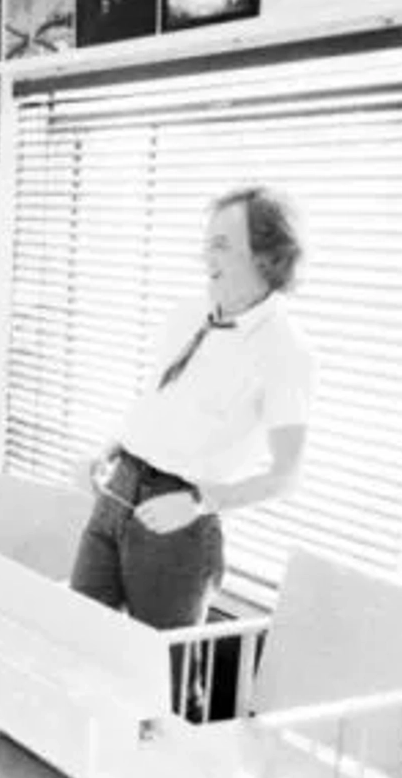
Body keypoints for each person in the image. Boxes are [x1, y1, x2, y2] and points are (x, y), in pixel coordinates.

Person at [70, 185, 316, 634]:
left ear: (267, 257)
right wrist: (109, 452)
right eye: (206, 244)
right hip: (117, 491)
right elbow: (160, 406)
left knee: (163, 676)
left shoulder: (284, 350)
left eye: (221, 245)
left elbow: (286, 476)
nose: (206, 258)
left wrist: (199, 503)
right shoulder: (187, 314)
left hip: (178, 520)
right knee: (78, 641)